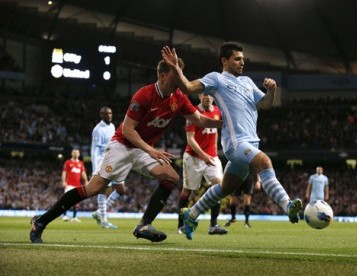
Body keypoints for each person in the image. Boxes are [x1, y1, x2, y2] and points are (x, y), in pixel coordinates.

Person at [29, 57, 223, 243]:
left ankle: (144, 226)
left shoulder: (179, 98)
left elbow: (200, 119)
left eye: (182, 74)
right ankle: (40, 222)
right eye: (176, 75)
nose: (181, 80)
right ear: (163, 76)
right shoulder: (144, 95)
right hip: (122, 145)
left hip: (143, 149)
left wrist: (227, 123)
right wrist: (151, 150)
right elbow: (128, 130)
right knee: (95, 188)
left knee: (171, 177)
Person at [162, 42, 303, 240]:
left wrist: (272, 91)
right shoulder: (216, 79)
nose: (242, 62)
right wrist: (175, 67)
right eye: (237, 59)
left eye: (243, 59)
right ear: (224, 60)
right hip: (236, 144)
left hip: (251, 142)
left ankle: (191, 214)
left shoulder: (246, 81)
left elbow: (265, 104)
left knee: (224, 189)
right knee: (265, 162)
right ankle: (288, 205)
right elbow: (187, 87)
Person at [177, 93, 228, 235]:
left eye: (211, 95)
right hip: (193, 158)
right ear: (200, 96)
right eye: (205, 94)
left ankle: (213, 225)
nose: (208, 97)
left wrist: (214, 151)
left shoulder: (217, 111)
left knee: (219, 187)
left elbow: (216, 132)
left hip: (211, 157)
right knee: (187, 191)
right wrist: (203, 155)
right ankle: (181, 225)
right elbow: (190, 139)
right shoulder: (192, 113)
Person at [90, 106, 125, 229]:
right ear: (101, 115)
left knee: (121, 189)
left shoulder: (112, 126)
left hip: (114, 160)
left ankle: (98, 213)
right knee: (104, 190)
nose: (109, 116)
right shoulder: (98, 130)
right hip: (103, 162)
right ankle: (104, 220)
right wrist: (96, 168)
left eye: (110, 113)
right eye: (106, 114)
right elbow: (94, 150)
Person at [61, 149, 88, 222]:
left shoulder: (81, 163)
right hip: (69, 185)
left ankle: (74, 217)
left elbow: (83, 173)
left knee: (76, 201)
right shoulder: (68, 162)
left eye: (77, 152)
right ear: (71, 153)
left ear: (79, 154)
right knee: (66, 200)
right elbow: (64, 172)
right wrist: (63, 181)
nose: (75, 153)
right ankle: (64, 215)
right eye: (74, 152)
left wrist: (86, 181)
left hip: (77, 185)